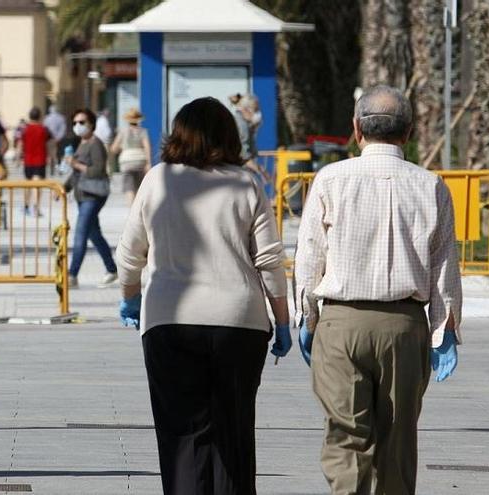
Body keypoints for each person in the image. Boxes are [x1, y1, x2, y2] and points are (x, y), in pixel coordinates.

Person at [115, 97, 291, 495]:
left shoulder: (157, 179)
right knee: (234, 431)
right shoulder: (245, 182)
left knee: (181, 433)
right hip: (239, 322)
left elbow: (129, 255)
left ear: (177, 133)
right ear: (229, 136)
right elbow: (269, 261)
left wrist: (130, 298)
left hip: (169, 321)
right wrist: (282, 320)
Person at [294, 85, 462, 495]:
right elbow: (444, 265)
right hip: (405, 326)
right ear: (408, 133)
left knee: (347, 436)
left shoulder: (331, 179)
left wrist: (307, 316)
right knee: (398, 439)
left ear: (356, 130)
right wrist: (444, 330)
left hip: (341, 323)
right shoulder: (431, 185)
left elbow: (310, 254)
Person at [64, 108, 117, 288]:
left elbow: (97, 171)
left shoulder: (96, 144)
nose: (77, 126)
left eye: (82, 122)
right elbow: (77, 174)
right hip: (82, 194)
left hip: (93, 196)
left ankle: (72, 275)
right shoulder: (82, 143)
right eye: (75, 123)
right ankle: (112, 269)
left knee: (81, 234)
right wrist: (64, 187)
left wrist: (75, 163)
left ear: (91, 124)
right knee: (94, 234)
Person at [110, 108, 152, 203]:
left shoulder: (123, 131)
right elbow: (147, 147)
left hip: (126, 162)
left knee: (129, 188)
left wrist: (122, 149)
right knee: (138, 187)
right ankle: (137, 209)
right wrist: (148, 163)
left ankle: (131, 211)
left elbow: (114, 148)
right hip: (140, 161)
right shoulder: (143, 131)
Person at [19, 107, 52, 216]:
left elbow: (20, 143)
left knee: (28, 183)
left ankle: (26, 206)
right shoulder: (44, 129)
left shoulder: (25, 129)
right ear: (40, 116)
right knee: (37, 185)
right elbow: (49, 144)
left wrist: (19, 156)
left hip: (28, 160)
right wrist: (51, 156)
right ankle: (36, 207)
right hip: (40, 159)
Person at [43, 104, 67, 174]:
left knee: (51, 155)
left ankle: (52, 169)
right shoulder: (61, 118)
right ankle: (59, 168)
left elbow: (45, 129)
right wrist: (59, 137)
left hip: (49, 139)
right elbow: (63, 129)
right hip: (59, 139)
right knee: (59, 154)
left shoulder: (46, 118)